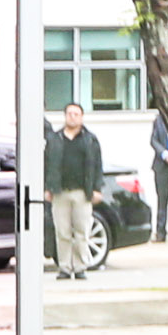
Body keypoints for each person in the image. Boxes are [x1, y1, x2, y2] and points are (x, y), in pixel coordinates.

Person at [46, 103, 105, 277]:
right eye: (69, 113)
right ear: (65, 116)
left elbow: (97, 165)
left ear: (81, 117)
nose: (72, 117)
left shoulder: (90, 139)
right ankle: (64, 267)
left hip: (82, 192)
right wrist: (47, 187)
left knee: (82, 232)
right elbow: (46, 164)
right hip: (60, 191)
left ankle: (80, 268)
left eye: (76, 114)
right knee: (62, 232)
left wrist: (97, 188)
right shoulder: (54, 139)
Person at [149, 106, 168, 243]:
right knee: (162, 200)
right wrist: (164, 154)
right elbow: (153, 140)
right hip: (162, 164)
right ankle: (161, 233)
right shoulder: (159, 120)